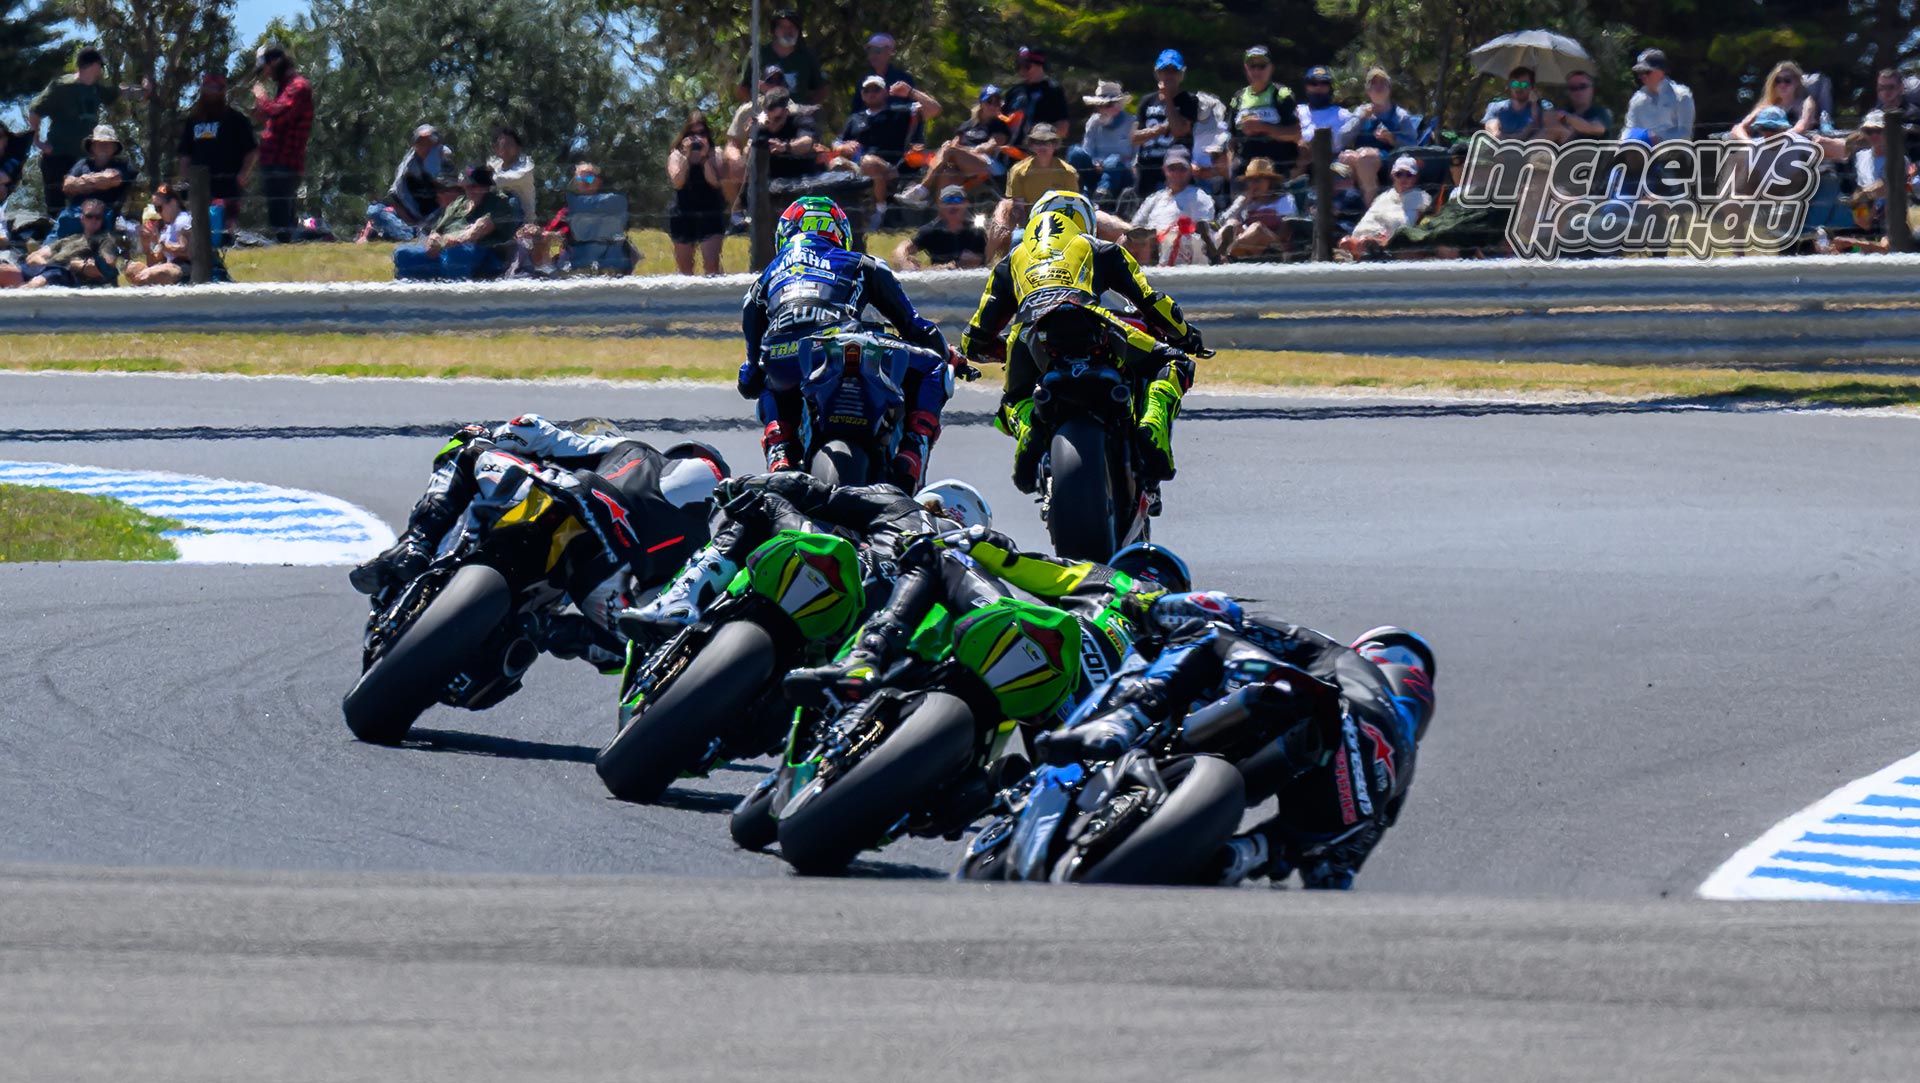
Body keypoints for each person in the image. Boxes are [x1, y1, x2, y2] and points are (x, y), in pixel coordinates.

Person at [1037, 600, 1435, 890]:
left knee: (1206, 636)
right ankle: (1247, 854)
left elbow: (1224, 613)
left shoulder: (1339, 657)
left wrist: (1151, 609)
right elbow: (1335, 874)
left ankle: (1127, 718)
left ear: (1373, 652)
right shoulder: (1400, 767)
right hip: (1345, 805)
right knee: (1294, 844)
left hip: (1307, 711)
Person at [349, 416, 727, 670]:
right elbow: (650, 630)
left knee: (467, 443)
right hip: (602, 574)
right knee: (638, 640)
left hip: (581, 512)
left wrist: (494, 435)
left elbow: (529, 428)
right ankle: (546, 630)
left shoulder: (626, 448)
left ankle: (416, 544)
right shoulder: (698, 547)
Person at [963, 200, 1197, 489]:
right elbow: (1152, 301)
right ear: (1085, 222)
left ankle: (1029, 433)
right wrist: (1185, 336)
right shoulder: (1100, 248)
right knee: (1173, 361)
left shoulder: (1011, 260)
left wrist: (1004, 352)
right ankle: (1151, 426)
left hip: (1029, 335)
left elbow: (973, 339)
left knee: (1013, 400)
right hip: (1092, 322)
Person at [739, 196, 954, 484]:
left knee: (767, 375)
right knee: (933, 368)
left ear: (785, 233)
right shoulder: (863, 263)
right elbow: (916, 328)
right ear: (840, 234)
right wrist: (945, 353)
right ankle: (911, 452)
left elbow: (750, 374)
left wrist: (752, 372)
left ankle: (780, 452)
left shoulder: (762, 282)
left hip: (786, 357)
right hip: (841, 343)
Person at [623, 472, 991, 636]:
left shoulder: (903, 506)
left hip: (850, 575)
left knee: (762, 504)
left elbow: (812, 491)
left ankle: (679, 599)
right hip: (884, 634)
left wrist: (740, 485)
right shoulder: (976, 571)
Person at [26, 48, 149, 212]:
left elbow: (120, 91)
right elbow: (35, 110)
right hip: (58, 155)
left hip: (83, 159)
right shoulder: (62, 86)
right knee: (56, 206)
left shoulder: (96, 89)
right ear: (95, 65)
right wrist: (37, 142)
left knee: (86, 206)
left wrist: (143, 90)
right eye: (100, 66)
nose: (100, 70)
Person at [832, 75, 941, 230]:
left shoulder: (899, 112)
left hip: (890, 168)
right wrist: (842, 148)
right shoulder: (855, 118)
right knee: (836, 163)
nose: (871, 93)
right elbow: (836, 143)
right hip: (857, 167)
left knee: (869, 162)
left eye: (876, 89)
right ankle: (840, 217)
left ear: (884, 93)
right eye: (867, 90)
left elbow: (934, 109)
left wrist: (910, 92)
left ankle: (879, 214)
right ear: (862, 95)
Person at [391, 164, 521, 281]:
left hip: (481, 255)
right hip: (444, 253)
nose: (473, 190)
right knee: (403, 254)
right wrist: (433, 239)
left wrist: (443, 242)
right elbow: (437, 230)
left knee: (457, 252)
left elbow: (473, 234)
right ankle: (411, 301)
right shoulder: (459, 203)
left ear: (487, 186)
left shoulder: (498, 203)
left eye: (477, 186)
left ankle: (457, 301)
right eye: (469, 186)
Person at [900, 87, 1010, 207]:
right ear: (981, 104)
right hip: (962, 161)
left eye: (997, 102)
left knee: (949, 149)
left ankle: (922, 189)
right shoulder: (968, 124)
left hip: (988, 164)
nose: (993, 105)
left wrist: (963, 150)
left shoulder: (1000, 125)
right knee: (947, 173)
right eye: (989, 101)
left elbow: (990, 146)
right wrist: (954, 149)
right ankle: (944, 216)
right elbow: (954, 143)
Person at [249, 44, 313, 243]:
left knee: (282, 221)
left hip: (285, 162)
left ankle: (290, 245)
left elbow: (280, 113)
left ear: (275, 61)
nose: (266, 75)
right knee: (278, 217)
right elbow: (278, 120)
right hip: (275, 162)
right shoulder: (285, 87)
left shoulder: (298, 86)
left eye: (266, 68)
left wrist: (261, 99)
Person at [178, 72, 258, 221]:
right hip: (199, 185)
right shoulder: (193, 121)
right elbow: (184, 153)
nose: (213, 92)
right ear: (202, 90)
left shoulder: (237, 119)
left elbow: (251, 150)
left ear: (223, 90)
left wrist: (243, 174)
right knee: (199, 226)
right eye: (208, 87)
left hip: (227, 184)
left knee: (225, 228)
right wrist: (185, 179)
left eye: (217, 88)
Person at [991, 123, 1078, 258]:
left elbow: (1072, 207)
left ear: (1055, 145)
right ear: (1031, 146)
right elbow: (1019, 208)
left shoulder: (1068, 172)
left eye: (1048, 142)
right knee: (1016, 241)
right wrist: (1032, 231)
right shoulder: (1018, 171)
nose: (1042, 146)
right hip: (1030, 226)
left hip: (1061, 227)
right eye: (1037, 142)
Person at [1338, 68, 1417, 204]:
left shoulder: (1400, 115)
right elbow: (1342, 138)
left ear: (1389, 88)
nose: (1378, 86)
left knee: (1365, 157)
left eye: (1382, 82)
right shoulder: (1360, 111)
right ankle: (1348, 206)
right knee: (1346, 158)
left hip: (1389, 161)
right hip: (1361, 158)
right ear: (1368, 91)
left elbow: (1413, 145)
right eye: (1373, 83)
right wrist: (1361, 119)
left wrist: (1392, 139)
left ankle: (1370, 210)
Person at [1127, 146, 1215, 264]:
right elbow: (1135, 225)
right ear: (1164, 170)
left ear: (1190, 170)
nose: (1176, 173)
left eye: (1182, 169)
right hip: (1148, 241)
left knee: (1148, 240)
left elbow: (1203, 233)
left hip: (1176, 247)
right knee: (1106, 221)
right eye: (1172, 168)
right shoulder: (1155, 198)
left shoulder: (1199, 197)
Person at [1227, 45, 1301, 184]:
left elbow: (1296, 134)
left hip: (1276, 172)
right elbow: (1231, 140)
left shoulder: (1281, 95)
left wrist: (1263, 127)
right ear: (1245, 68)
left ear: (1271, 67)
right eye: (1252, 66)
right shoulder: (1238, 98)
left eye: (1262, 66)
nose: (1256, 70)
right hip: (1244, 173)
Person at [361, 124, 444, 242]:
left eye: (429, 143)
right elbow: (395, 197)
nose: (425, 147)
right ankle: (408, 236)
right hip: (412, 219)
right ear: (415, 146)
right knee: (375, 210)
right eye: (421, 143)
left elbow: (454, 194)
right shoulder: (408, 167)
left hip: (438, 216)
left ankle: (392, 234)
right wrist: (413, 222)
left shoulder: (446, 160)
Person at [1134, 50, 1199, 197]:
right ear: (1157, 73)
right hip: (1147, 169)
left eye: (1173, 71)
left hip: (1176, 168)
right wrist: (1160, 129)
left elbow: (1179, 130)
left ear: (1181, 74)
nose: (1169, 76)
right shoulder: (1146, 101)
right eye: (1165, 71)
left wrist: (1168, 99)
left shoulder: (1189, 100)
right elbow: (1134, 137)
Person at [668, 112, 727, 275]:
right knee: (685, 269)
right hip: (683, 211)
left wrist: (705, 158)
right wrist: (687, 157)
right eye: (692, 134)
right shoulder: (677, 155)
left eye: (702, 134)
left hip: (710, 210)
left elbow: (715, 182)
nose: (697, 138)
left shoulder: (716, 153)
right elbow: (677, 183)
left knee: (712, 265)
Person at [1339, 155, 1430, 259]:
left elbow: (1409, 226)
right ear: (1392, 175)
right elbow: (1369, 220)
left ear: (1415, 177)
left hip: (1390, 245)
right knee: (1345, 242)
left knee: (1364, 244)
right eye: (1399, 174)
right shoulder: (1383, 197)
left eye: (1408, 174)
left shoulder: (1421, 198)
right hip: (1365, 239)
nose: (1403, 178)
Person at [18, 197, 117, 288]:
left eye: (98, 217)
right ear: (82, 219)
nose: (93, 220)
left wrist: (76, 266)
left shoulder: (104, 240)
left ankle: (21, 297)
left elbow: (107, 267)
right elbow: (33, 257)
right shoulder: (69, 239)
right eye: (89, 216)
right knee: (7, 271)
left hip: (67, 276)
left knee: (44, 278)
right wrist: (47, 265)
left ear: (102, 220)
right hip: (48, 268)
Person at [737, 8, 826, 106]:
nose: (788, 31)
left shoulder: (807, 56)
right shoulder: (758, 54)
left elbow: (821, 90)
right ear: (774, 30)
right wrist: (756, 109)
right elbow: (742, 88)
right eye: (782, 26)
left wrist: (806, 109)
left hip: (797, 115)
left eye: (792, 26)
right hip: (764, 115)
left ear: (798, 31)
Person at [1067, 80, 1136, 205]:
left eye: (1107, 105)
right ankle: (1074, 192)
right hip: (1096, 169)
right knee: (1075, 152)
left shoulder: (1132, 123)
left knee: (1113, 161)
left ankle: (1102, 198)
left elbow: (1136, 158)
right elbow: (1087, 150)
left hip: (1122, 174)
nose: (1102, 109)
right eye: (1099, 105)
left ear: (1118, 105)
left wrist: (1114, 162)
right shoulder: (1093, 122)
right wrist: (1097, 163)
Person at [1217, 157, 1296, 260]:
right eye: (1250, 180)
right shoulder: (1244, 200)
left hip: (1273, 243)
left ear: (1270, 182)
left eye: (1258, 180)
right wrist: (1243, 203)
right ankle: (1223, 253)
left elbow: (1287, 228)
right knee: (1232, 223)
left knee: (1257, 227)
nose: (1254, 184)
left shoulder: (1284, 199)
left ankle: (1226, 253)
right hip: (1246, 239)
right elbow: (1223, 221)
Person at [895, 185, 986, 270]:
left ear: (966, 204)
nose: (952, 205)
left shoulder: (976, 231)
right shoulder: (931, 230)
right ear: (940, 205)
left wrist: (975, 259)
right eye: (947, 200)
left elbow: (988, 259)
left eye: (957, 199)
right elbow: (902, 249)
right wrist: (905, 261)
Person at [1732, 61, 1825, 140]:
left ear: (1796, 82)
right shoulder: (1766, 106)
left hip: (1794, 149)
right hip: (1763, 149)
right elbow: (1739, 128)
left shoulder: (1805, 103)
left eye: (1787, 80)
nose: (1782, 84)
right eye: (1778, 80)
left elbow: (1802, 126)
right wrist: (1750, 143)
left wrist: (1776, 141)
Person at [125, 183, 194, 287]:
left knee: (147, 275)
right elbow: (154, 263)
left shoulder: (182, 220)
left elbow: (186, 251)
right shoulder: (169, 226)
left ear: (173, 203)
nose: (159, 213)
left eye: (159, 208)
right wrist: (146, 245)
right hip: (172, 267)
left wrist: (158, 241)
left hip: (186, 267)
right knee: (132, 270)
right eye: (156, 209)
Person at [1004, 46, 1071, 151]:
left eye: (1026, 66)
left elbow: (1063, 128)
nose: (1022, 71)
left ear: (1040, 65)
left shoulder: (1053, 90)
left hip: (1039, 153)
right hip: (1010, 151)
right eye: (1019, 67)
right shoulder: (1013, 92)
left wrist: (1041, 135)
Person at [59, 125, 132, 220]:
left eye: (108, 143)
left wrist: (80, 183)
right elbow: (67, 185)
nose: (103, 146)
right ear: (92, 147)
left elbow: (111, 179)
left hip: (104, 216)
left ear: (115, 147)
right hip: (76, 213)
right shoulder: (82, 163)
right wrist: (97, 181)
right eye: (99, 143)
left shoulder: (122, 165)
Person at [1623, 49, 1695, 144]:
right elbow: (1630, 129)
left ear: (1661, 71)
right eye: (1640, 73)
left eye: (1646, 72)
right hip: (1643, 153)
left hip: (1675, 153)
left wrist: (1659, 140)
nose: (1642, 76)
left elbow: (1685, 132)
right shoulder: (1636, 100)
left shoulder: (1681, 96)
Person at [759, 92, 824, 185]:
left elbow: (807, 142)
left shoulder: (801, 120)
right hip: (773, 179)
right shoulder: (761, 126)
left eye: (777, 119)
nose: (772, 125)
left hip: (804, 177)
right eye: (768, 120)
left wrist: (785, 147)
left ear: (786, 112)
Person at [850, 32, 914, 114]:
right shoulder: (863, 81)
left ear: (888, 52)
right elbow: (855, 112)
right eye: (870, 51)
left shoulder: (903, 79)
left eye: (877, 51)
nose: (872, 55)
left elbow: (913, 111)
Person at [1542, 70, 1613, 143]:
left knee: (1557, 129)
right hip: (1561, 151)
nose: (1578, 91)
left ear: (1592, 89)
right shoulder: (1567, 110)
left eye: (1583, 86)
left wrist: (1563, 116)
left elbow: (1592, 128)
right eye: (1573, 88)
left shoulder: (1602, 112)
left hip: (1590, 152)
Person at [1298, 64, 1354, 153]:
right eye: (1313, 83)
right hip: (1299, 162)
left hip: (1333, 162)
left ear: (1330, 87)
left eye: (1324, 83)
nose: (1318, 87)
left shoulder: (1343, 115)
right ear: (1306, 87)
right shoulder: (1297, 111)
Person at [488, 126, 537, 222]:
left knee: (511, 201)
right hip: (499, 217)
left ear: (518, 148)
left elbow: (502, 180)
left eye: (509, 145)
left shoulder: (526, 165)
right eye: (501, 145)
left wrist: (484, 177)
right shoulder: (495, 163)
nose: (504, 149)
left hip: (523, 221)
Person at [1484, 65, 1542, 140]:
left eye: (1524, 85)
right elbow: (1489, 126)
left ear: (1532, 88)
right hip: (1499, 148)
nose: (1518, 88)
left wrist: (1534, 104)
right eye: (1515, 84)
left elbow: (1537, 129)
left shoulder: (1539, 110)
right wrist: (1497, 135)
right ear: (1510, 86)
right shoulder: (1496, 107)